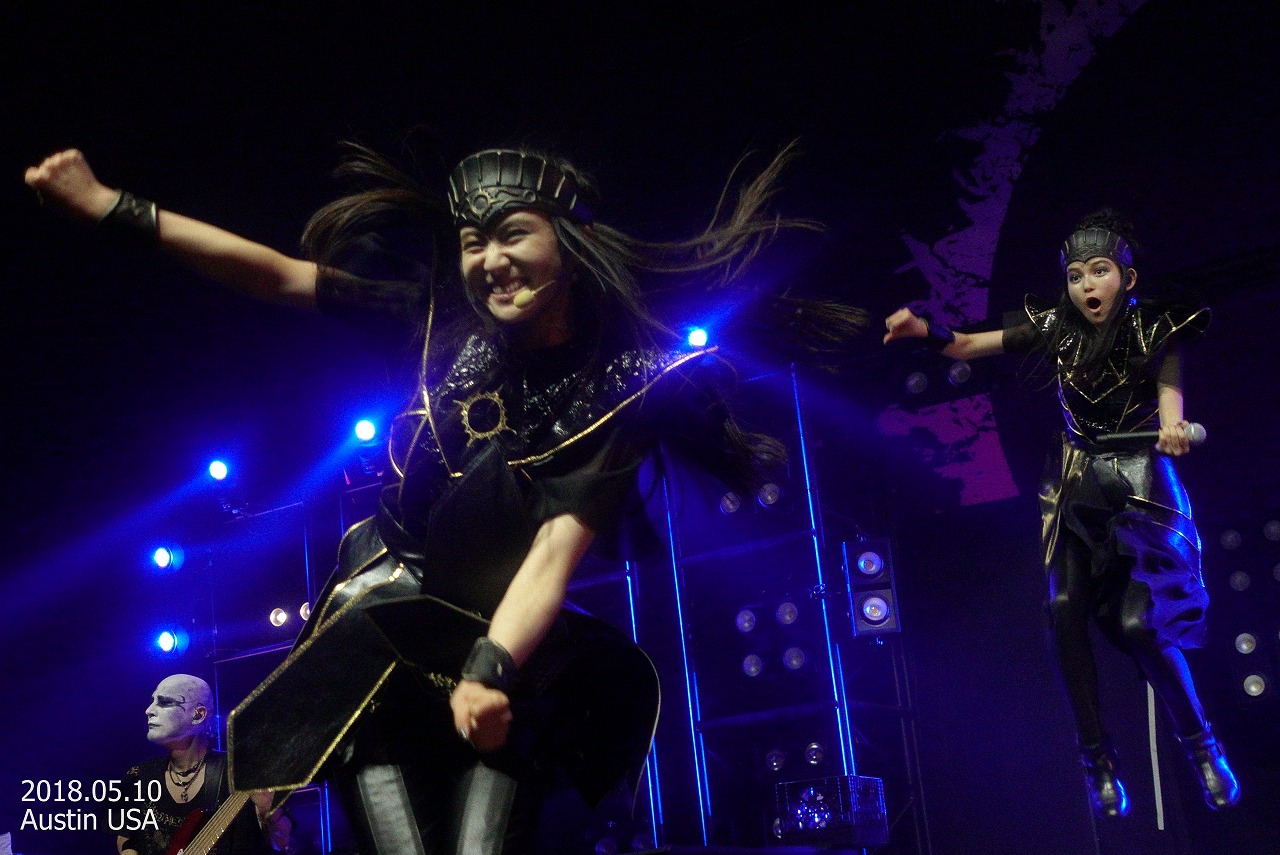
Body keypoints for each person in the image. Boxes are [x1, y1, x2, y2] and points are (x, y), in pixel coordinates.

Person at [27, 144, 860, 853]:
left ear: (571, 241)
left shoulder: (617, 385)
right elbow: (277, 274)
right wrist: (111, 205)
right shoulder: (438, 321)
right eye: (472, 241)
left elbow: (552, 552)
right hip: (382, 621)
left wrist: (491, 670)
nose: (489, 260)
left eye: (513, 234)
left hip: (505, 648)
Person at [883, 209, 1240, 818]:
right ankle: (1096, 760)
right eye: (1076, 276)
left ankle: (1203, 746)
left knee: (1139, 627)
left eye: (1098, 272)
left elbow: (1169, 389)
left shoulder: (1152, 326)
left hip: (1139, 484)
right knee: (1062, 608)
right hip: (1075, 482)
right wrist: (928, 331)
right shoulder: (1057, 324)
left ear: (1126, 278)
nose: (1086, 286)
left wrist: (1174, 425)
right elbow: (968, 344)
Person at [119, 674, 288, 855]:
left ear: (198, 715)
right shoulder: (138, 776)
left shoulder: (239, 770)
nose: (149, 710)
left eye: (165, 702)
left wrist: (267, 811)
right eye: (152, 700)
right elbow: (126, 839)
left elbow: (282, 842)